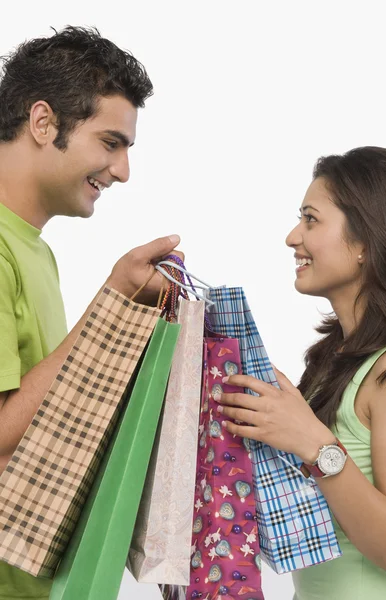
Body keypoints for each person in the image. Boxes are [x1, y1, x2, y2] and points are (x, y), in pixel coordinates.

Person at [0, 25, 181, 599]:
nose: (122, 170)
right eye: (110, 142)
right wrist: (111, 303)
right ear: (43, 122)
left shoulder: (33, 251)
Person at [216, 146, 386, 599]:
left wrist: (315, 446)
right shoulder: (333, 361)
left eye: (311, 219)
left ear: (362, 242)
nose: (292, 236)